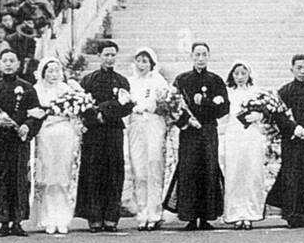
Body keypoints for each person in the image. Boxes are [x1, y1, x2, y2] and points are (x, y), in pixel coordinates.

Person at [0, 48, 42, 236]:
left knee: (19, 180)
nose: (9, 64)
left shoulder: (28, 88)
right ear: (0, 63)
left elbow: (36, 113)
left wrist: (27, 126)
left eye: (12, 60)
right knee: (0, 180)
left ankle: (17, 222)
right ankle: (3, 221)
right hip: (0, 141)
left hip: (19, 142)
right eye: (5, 60)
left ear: (18, 64)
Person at [164, 42, 229, 231]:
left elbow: (224, 108)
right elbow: (172, 106)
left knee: (208, 170)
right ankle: (190, 216)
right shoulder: (182, 79)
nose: (200, 58)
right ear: (191, 56)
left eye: (204, 54)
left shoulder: (216, 80)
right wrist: (187, 121)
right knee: (189, 171)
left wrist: (206, 103)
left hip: (208, 131)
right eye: (197, 54)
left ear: (208, 56)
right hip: (189, 133)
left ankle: (206, 217)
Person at [75, 41, 133, 232]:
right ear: (99, 56)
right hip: (94, 132)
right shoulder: (88, 80)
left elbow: (126, 106)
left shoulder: (122, 81)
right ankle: (94, 217)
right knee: (93, 172)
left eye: (112, 55)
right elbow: (80, 104)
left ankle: (111, 217)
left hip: (114, 130)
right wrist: (95, 116)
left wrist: (104, 111)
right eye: (106, 55)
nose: (109, 59)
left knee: (113, 172)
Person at [267, 54, 304, 228]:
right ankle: (292, 216)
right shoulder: (285, 91)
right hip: (291, 141)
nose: (302, 71)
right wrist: (294, 129)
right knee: (291, 176)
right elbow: (278, 115)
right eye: (299, 68)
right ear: (292, 69)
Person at [30, 57, 80, 236]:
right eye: (49, 71)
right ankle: (48, 217)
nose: (53, 75)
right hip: (46, 134)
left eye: (56, 71)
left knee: (63, 175)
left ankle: (63, 218)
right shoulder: (36, 90)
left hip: (65, 134)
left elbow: (75, 113)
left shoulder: (67, 90)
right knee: (48, 175)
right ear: (43, 73)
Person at [126, 47, 168, 231]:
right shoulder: (129, 82)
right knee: (139, 170)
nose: (141, 65)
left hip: (153, 124)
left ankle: (155, 212)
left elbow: (164, 104)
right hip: (136, 125)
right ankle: (142, 212)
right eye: (139, 60)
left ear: (151, 63)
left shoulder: (158, 81)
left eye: (145, 61)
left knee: (154, 166)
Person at [222, 61, 266, 230]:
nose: (240, 77)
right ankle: (235, 214)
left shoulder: (256, 92)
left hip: (251, 135)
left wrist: (259, 115)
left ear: (249, 74)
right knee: (235, 173)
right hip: (234, 135)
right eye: (236, 74)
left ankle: (250, 213)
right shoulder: (228, 93)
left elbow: (268, 112)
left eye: (243, 73)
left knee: (251, 172)